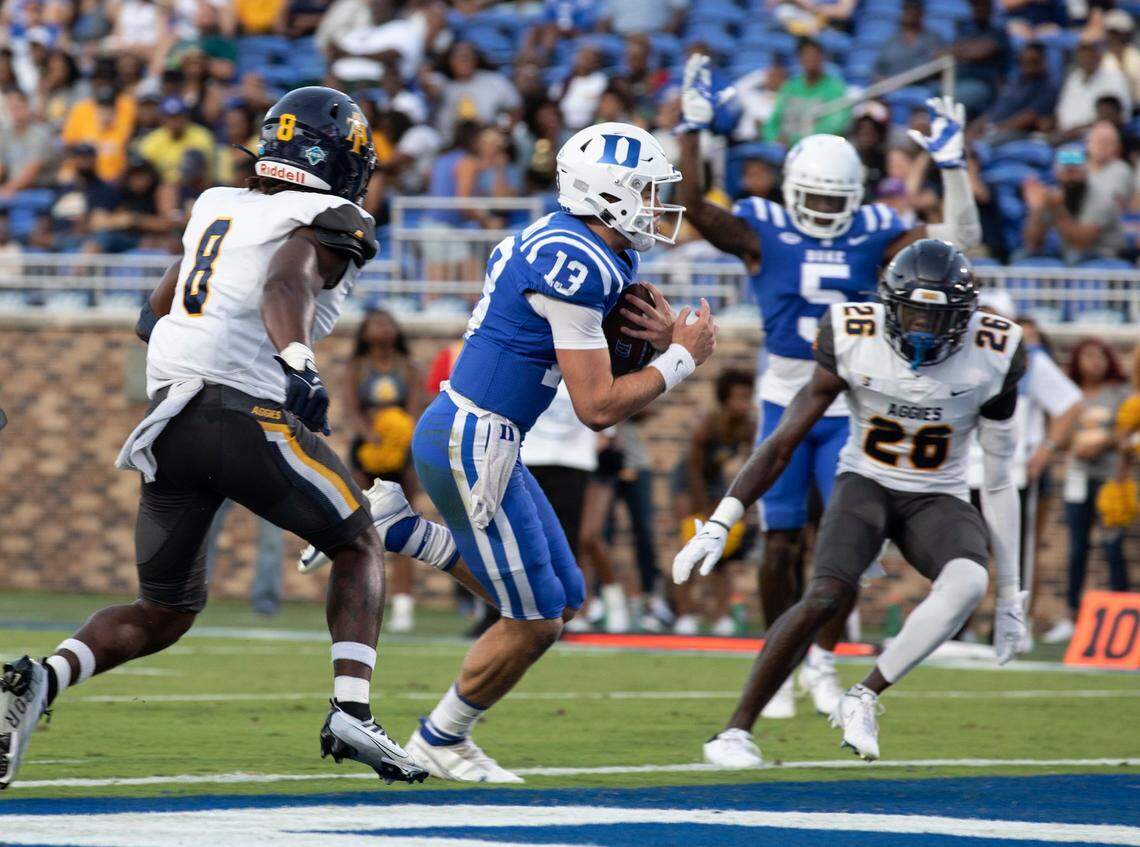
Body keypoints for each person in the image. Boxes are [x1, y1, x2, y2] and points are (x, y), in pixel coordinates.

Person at [0, 86, 462, 789]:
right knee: (360, 538)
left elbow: (151, 314)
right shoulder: (333, 215)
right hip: (239, 413)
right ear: (339, 160)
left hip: (169, 423)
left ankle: (41, 678)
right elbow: (286, 283)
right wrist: (296, 361)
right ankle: (352, 708)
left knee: (165, 610)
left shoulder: (219, 205)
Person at [404, 121, 716, 781]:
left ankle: (405, 531)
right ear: (607, 194)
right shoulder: (577, 263)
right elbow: (597, 406)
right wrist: (683, 358)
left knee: (566, 598)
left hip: (487, 437)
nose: (658, 206)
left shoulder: (583, 245)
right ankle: (440, 737)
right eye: (647, 191)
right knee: (538, 620)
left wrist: (659, 341)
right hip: (473, 439)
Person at [678, 52, 982, 720]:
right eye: (812, 199)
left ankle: (822, 657)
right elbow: (694, 203)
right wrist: (692, 128)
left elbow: (959, 243)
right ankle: (780, 660)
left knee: (838, 542)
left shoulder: (875, 231)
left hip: (854, 399)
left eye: (833, 202)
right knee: (781, 537)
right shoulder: (763, 228)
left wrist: (956, 170)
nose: (821, 212)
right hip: (785, 392)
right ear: (792, 190)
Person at [676, 239, 1030, 765]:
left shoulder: (996, 352)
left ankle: (863, 695)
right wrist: (722, 519)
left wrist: (1009, 595)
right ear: (889, 304)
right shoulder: (852, 334)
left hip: (937, 494)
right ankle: (734, 731)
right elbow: (782, 442)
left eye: (938, 319)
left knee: (969, 581)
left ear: (966, 317)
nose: (922, 332)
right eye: (912, 314)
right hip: (866, 480)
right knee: (824, 595)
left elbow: (999, 481)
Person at [337, 308, 424, 633]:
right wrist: (370, 434)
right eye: (375, 323)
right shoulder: (357, 367)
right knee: (362, 528)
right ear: (364, 332)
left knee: (405, 527)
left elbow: (416, 406)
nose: (383, 328)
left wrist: (400, 436)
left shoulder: (408, 366)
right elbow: (350, 408)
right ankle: (360, 602)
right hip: (367, 453)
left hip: (401, 454)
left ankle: (403, 606)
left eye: (388, 322)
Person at [1043, 339, 1130, 643]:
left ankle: (1125, 615)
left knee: (1112, 546)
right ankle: (1071, 614)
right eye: (1088, 356)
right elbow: (1059, 436)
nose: (1094, 363)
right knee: (1077, 548)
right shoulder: (1070, 396)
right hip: (1077, 478)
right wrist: (1074, 444)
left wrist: (1103, 441)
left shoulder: (1120, 394)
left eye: (1100, 356)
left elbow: (1128, 433)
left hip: (1109, 479)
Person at [672, 369, 756, 636]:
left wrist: (745, 506)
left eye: (748, 397)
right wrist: (703, 509)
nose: (745, 404)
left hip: (716, 481)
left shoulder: (748, 426)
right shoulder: (708, 424)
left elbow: (750, 465)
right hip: (688, 482)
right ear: (724, 398)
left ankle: (721, 616)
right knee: (690, 544)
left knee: (723, 555)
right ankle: (684, 615)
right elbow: (693, 469)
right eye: (739, 398)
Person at [1021, 146, 1124, 265]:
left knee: (1074, 258)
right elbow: (1033, 243)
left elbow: (1082, 243)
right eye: (1066, 172)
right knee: (1022, 256)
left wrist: (1057, 209)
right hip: (1070, 256)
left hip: (1104, 260)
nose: (1071, 177)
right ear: (1057, 174)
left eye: (1075, 172)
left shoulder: (1102, 199)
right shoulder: (1054, 196)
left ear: (1085, 173)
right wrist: (1037, 208)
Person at [762, 38, 849, 145]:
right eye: (806, 56)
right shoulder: (790, 86)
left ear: (822, 58)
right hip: (782, 146)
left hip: (817, 147)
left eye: (814, 56)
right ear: (799, 59)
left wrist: (797, 140)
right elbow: (774, 120)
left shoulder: (835, 88)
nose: (810, 60)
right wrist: (773, 138)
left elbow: (836, 124)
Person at [945, 0, 1013, 118]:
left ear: (990, 8)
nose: (979, 9)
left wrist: (962, 50)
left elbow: (981, 52)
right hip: (958, 80)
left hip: (984, 84)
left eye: (983, 5)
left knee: (949, 99)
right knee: (929, 95)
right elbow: (945, 52)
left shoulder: (998, 32)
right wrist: (968, 49)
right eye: (976, 5)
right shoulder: (964, 29)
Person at [1054, 37, 1131, 139]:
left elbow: (1115, 117)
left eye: (1090, 53)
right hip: (1065, 136)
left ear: (1099, 55)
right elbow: (1060, 111)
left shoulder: (1115, 77)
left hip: (1098, 137)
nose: (1086, 58)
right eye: (1082, 54)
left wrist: (1078, 130)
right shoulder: (1074, 78)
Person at [873, 0, 946, 82]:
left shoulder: (933, 38)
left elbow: (939, 66)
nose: (910, 14)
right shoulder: (891, 40)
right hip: (894, 88)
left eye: (914, 11)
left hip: (926, 86)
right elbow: (879, 68)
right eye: (907, 11)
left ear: (921, 13)